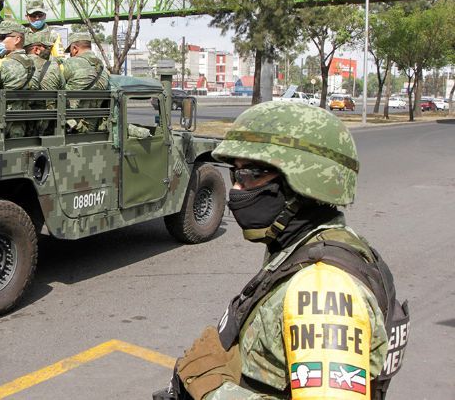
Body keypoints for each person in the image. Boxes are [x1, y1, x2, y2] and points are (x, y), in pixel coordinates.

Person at [154, 102, 407, 400]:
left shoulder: (324, 291)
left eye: (251, 174)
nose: (236, 190)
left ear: (305, 182)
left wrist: (211, 389)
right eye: (235, 175)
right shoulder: (307, 249)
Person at [0, 20, 37, 138]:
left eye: (2, 37)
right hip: (22, 121)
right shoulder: (32, 62)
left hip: (2, 122)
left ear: (17, 39)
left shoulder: (3, 64)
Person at [62, 32, 109, 133]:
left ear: (74, 49)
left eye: (70, 51)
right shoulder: (103, 71)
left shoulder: (70, 64)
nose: (70, 54)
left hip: (70, 128)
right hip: (93, 129)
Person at [24, 31, 63, 134]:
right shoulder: (53, 66)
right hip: (45, 125)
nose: (49, 51)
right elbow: (63, 91)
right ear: (36, 50)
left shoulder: (16, 64)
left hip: (20, 122)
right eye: (47, 48)